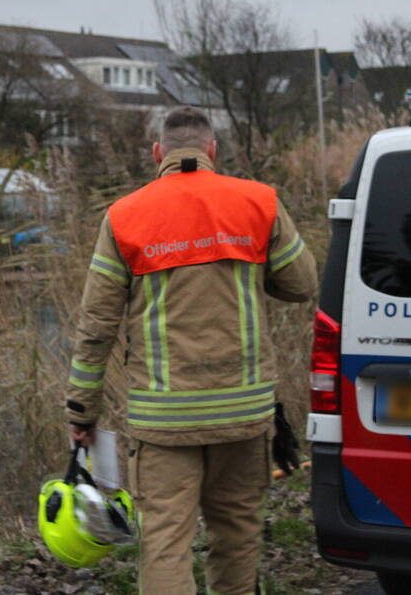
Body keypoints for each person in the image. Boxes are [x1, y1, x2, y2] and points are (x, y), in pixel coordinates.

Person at [64, 106, 317, 594]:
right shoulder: (259, 203)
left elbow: (95, 327)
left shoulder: (124, 217)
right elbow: (302, 284)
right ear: (212, 151)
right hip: (243, 412)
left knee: (164, 542)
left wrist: (82, 409)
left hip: (164, 420)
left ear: (157, 153)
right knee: (238, 535)